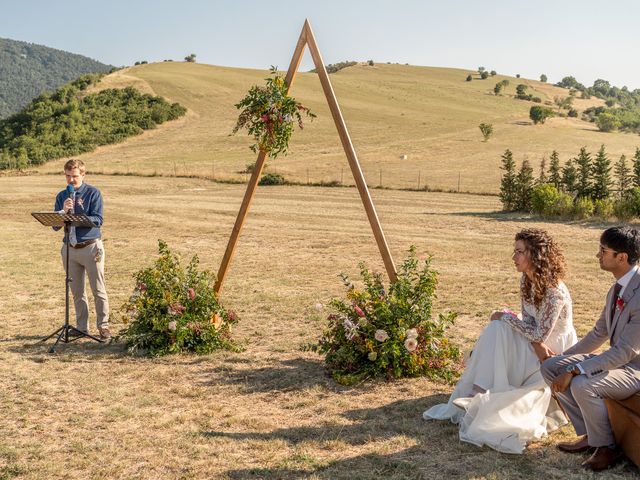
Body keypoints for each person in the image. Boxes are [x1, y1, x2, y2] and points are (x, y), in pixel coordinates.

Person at [423, 228, 577, 453]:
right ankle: (477, 392)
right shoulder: (527, 279)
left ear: (535, 255)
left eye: (519, 252)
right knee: (497, 328)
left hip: (554, 348)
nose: (513, 257)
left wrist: (506, 317)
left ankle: (481, 393)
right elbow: (529, 323)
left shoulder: (555, 291)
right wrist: (507, 320)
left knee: (501, 322)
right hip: (534, 341)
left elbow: (540, 335)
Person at [542, 226, 640, 472]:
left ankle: (607, 447)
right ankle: (589, 435)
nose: (598, 255)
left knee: (583, 384)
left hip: (635, 369)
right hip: (619, 363)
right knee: (550, 367)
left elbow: (624, 353)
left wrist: (575, 370)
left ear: (622, 257)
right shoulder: (617, 288)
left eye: (603, 250)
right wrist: (563, 360)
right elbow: (599, 333)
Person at [54, 159, 111, 339]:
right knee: (77, 290)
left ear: (83, 175)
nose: (71, 180)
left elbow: (98, 220)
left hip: (91, 247)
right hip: (69, 249)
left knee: (98, 288)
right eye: (68, 176)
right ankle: (81, 327)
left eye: (75, 176)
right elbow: (55, 226)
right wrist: (63, 212)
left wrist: (78, 216)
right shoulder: (62, 196)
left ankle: (103, 326)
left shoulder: (93, 193)